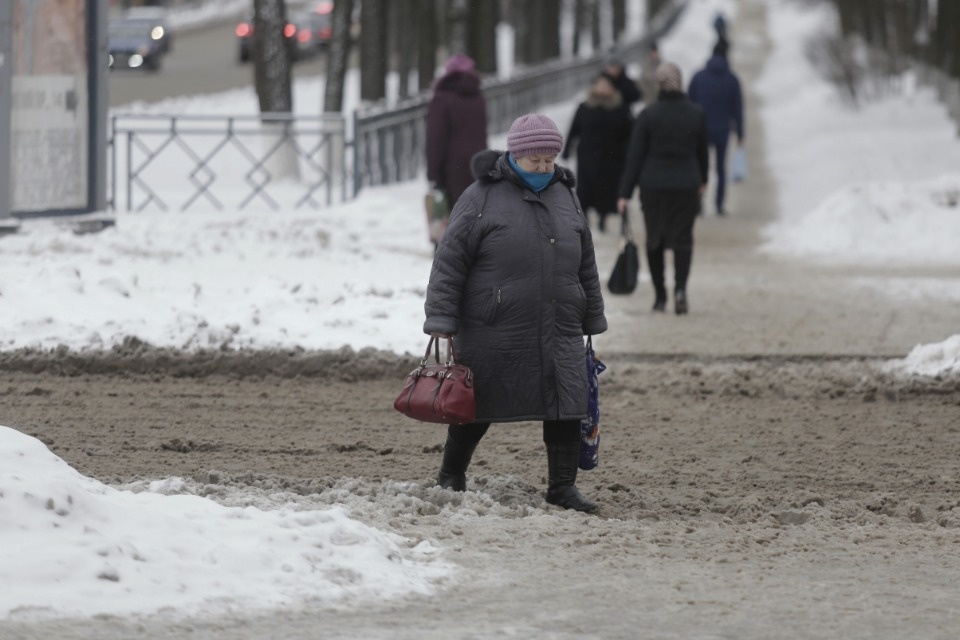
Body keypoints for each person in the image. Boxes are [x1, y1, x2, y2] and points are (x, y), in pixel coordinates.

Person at [423, 114, 608, 513]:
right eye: (535, 160)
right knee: (479, 404)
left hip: (560, 322)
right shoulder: (480, 196)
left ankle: (562, 488)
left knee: (566, 403)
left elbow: (586, 261)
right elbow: (450, 261)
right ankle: (451, 474)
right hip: (496, 324)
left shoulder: (566, 194)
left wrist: (592, 314)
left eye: (549, 160)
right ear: (515, 154)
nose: (544, 168)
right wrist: (441, 317)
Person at [617, 63, 708, 315]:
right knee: (683, 240)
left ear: (658, 85)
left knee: (654, 239)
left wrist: (624, 192)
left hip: (653, 185)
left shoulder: (648, 115)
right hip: (686, 184)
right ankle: (680, 290)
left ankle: (660, 296)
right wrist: (703, 180)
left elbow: (635, 156)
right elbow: (702, 152)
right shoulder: (696, 113)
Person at [425, 53, 488, 245]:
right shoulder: (478, 97)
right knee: (473, 219)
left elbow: (435, 140)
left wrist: (433, 173)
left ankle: (448, 265)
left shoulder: (442, 99)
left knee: (449, 225)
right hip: (477, 167)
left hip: (450, 169)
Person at [561, 73, 635, 232]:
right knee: (586, 190)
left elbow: (630, 134)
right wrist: (567, 150)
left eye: (606, 85)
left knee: (607, 190)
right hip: (588, 156)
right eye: (599, 84)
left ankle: (604, 217)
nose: (602, 88)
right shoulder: (585, 106)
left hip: (612, 158)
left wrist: (628, 152)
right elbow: (574, 129)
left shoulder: (621, 107)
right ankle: (585, 218)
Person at [687, 41, 744, 216]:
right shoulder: (732, 79)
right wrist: (740, 133)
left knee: (699, 167)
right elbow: (738, 109)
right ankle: (719, 205)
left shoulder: (698, 77)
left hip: (700, 130)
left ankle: (698, 204)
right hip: (722, 130)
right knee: (720, 169)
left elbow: (688, 104)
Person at [638, 41, 662, 107]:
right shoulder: (645, 67)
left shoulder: (663, 65)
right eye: (652, 51)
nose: (653, 54)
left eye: (655, 51)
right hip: (650, 102)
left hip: (662, 101)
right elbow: (643, 85)